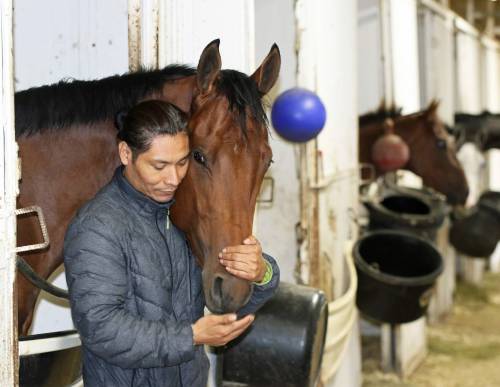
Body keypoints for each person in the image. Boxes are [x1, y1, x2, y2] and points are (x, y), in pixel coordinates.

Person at [63, 100, 280, 386]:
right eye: (159, 166)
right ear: (126, 153)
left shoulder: (181, 216)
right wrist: (191, 336)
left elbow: (226, 303)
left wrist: (261, 272)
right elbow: (101, 328)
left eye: (182, 162)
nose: (173, 178)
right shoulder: (97, 226)